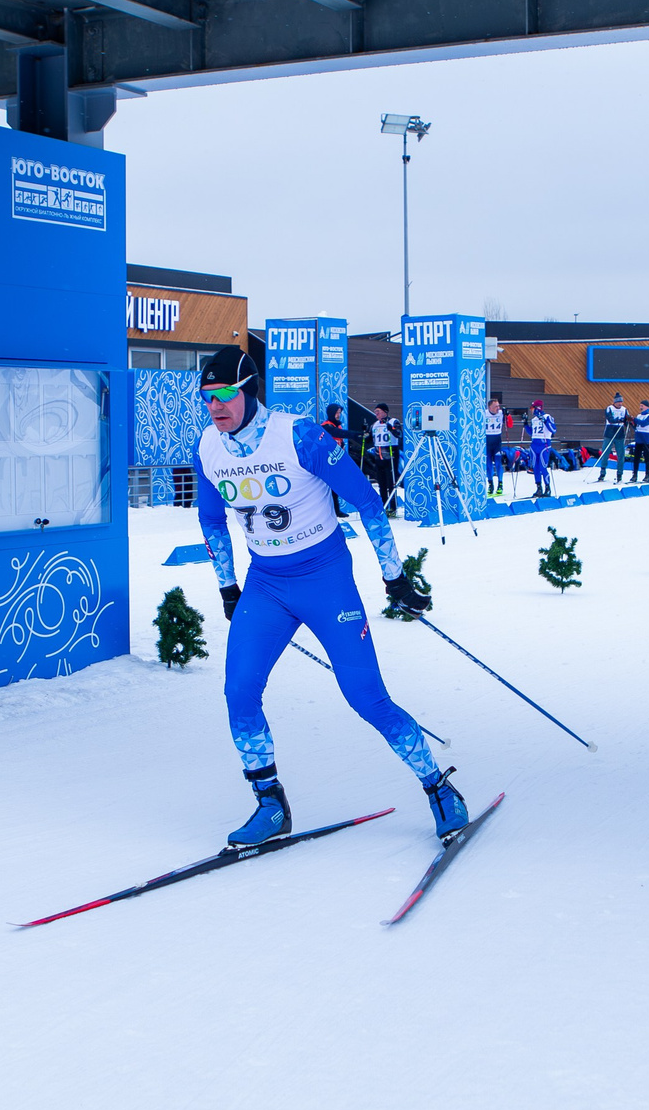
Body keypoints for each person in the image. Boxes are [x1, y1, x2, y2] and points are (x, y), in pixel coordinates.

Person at [194, 347, 469, 848]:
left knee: (366, 698)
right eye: (207, 398)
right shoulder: (209, 448)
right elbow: (212, 520)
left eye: (225, 395)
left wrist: (394, 576)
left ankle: (439, 788)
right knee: (239, 692)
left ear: (250, 389)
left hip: (325, 579)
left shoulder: (298, 434)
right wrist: (226, 584)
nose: (215, 407)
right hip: (266, 585)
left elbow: (366, 499)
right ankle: (270, 806)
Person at [365, 402, 402, 514]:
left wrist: (392, 429)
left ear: (385, 412)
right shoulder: (375, 425)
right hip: (378, 457)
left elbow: (399, 434)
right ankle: (384, 506)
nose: (376, 413)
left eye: (378, 411)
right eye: (375, 411)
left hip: (391, 456)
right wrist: (365, 433)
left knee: (391, 483)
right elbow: (368, 439)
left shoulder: (393, 421)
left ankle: (393, 507)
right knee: (381, 484)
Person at [526, 398, 557, 496]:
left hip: (544, 445)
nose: (531, 410)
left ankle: (548, 488)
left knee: (543, 467)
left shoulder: (547, 416)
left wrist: (545, 421)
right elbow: (532, 433)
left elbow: (553, 430)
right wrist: (525, 424)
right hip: (534, 445)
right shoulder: (534, 419)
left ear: (537, 408)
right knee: (535, 467)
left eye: (532, 408)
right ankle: (539, 488)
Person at [599, 393, 628, 481]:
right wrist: (619, 420)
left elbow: (626, 420)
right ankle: (602, 473)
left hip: (619, 435)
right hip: (609, 434)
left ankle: (619, 474)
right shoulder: (609, 408)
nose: (620, 404)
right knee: (605, 453)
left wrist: (629, 421)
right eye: (618, 402)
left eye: (621, 402)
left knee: (621, 455)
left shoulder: (624, 410)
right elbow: (610, 419)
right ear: (614, 402)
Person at [484, 395, 507, 494]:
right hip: (487, 441)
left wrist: (508, 416)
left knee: (498, 463)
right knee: (488, 465)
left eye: (498, 406)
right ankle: (490, 484)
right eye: (495, 407)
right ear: (489, 407)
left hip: (497, 441)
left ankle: (500, 484)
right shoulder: (484, 414)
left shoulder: (501, 413)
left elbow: (509, 424)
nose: (498, 408)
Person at [630, 400, 649, 480]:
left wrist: (634, 419)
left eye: (642, 405)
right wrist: (631, 422)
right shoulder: (639, 416)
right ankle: (635, 475)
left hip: (646, 439)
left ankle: (647, 475)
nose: (640, 407)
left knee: (647, 457)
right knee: (636, 457)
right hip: (639, 439)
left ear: (647, 407)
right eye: (640, 405)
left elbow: (644, 423)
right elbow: (637, 427)